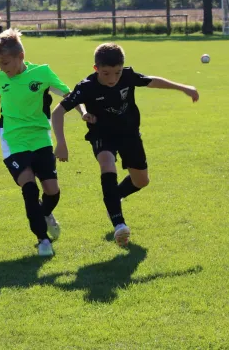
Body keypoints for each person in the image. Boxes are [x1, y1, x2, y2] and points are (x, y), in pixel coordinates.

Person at [51, 43, 199, 247]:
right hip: (102, 134)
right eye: (106, 73)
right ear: (96, 69)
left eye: (117, 73)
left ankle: (114, 196)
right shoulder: (87, 86)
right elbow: (57, 112)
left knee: (141, 181)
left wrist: (183, 88)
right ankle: (119, 224)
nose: (112, 79)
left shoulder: (128, 76)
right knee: (106, 164)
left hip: (129, 134)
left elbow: (152, 81)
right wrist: (61, 143)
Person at [0, 29, 86, 257]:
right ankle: (42, 240)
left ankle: (45, 214)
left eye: (6, 63)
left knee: (53, 191)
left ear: (21, 55)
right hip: (12, 138)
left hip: (40, 136)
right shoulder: (1, 78)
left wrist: (83, 112)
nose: (3, 68)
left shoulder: (42, 73)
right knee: (29, 186)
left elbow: (69, 95)